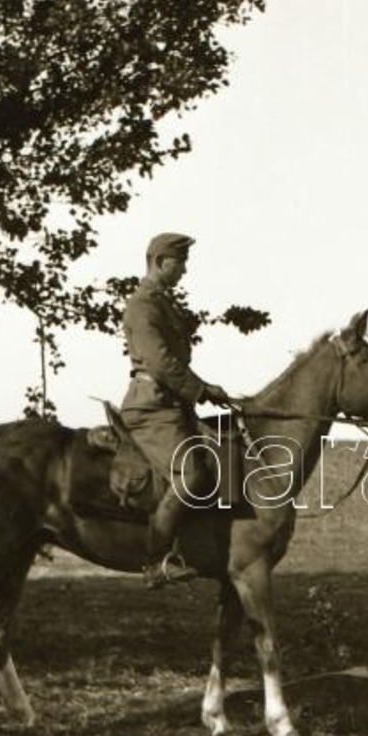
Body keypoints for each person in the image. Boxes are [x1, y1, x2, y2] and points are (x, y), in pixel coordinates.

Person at [120, 232, 230, 588]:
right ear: (158, 262)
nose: (184, 269)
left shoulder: (160, 302)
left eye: (184, 262)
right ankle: (155, 562)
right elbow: (160, 361)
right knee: (191, 476)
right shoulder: (143, 304)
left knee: (223, 456)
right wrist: (201, 389)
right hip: (152, 408)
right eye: (178, 262)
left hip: (170, 405)